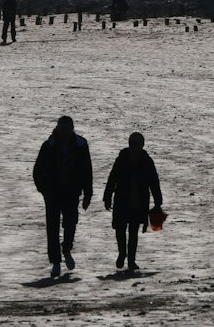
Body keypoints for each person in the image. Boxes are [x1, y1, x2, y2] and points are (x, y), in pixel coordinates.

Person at [33, 115, 92, 278]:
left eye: (68, 128)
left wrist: (88, 193)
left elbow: (87, 171)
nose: (65, 132)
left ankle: (66, 249)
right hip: (53, 193)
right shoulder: (49, 145)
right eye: (63, 128)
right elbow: (37, 170)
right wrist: (44, 190)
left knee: (71, 223)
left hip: (72, 192)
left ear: (72, 128)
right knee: (52, 228)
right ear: (58, 128)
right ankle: (56, 262)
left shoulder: (81, 145)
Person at [103, 131, 162, 274]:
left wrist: (158, 201)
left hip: (138, 203)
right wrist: (107, 196)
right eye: (131, 144)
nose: (133, 147)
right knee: (120, 230)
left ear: (142, 145)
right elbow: (112, 178)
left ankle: (131, 260)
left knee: (133, 232)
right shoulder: (122, 159)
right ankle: (122, 253)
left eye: (136, 144)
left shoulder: (147, 161)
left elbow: (154, 182)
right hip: (122, 201)